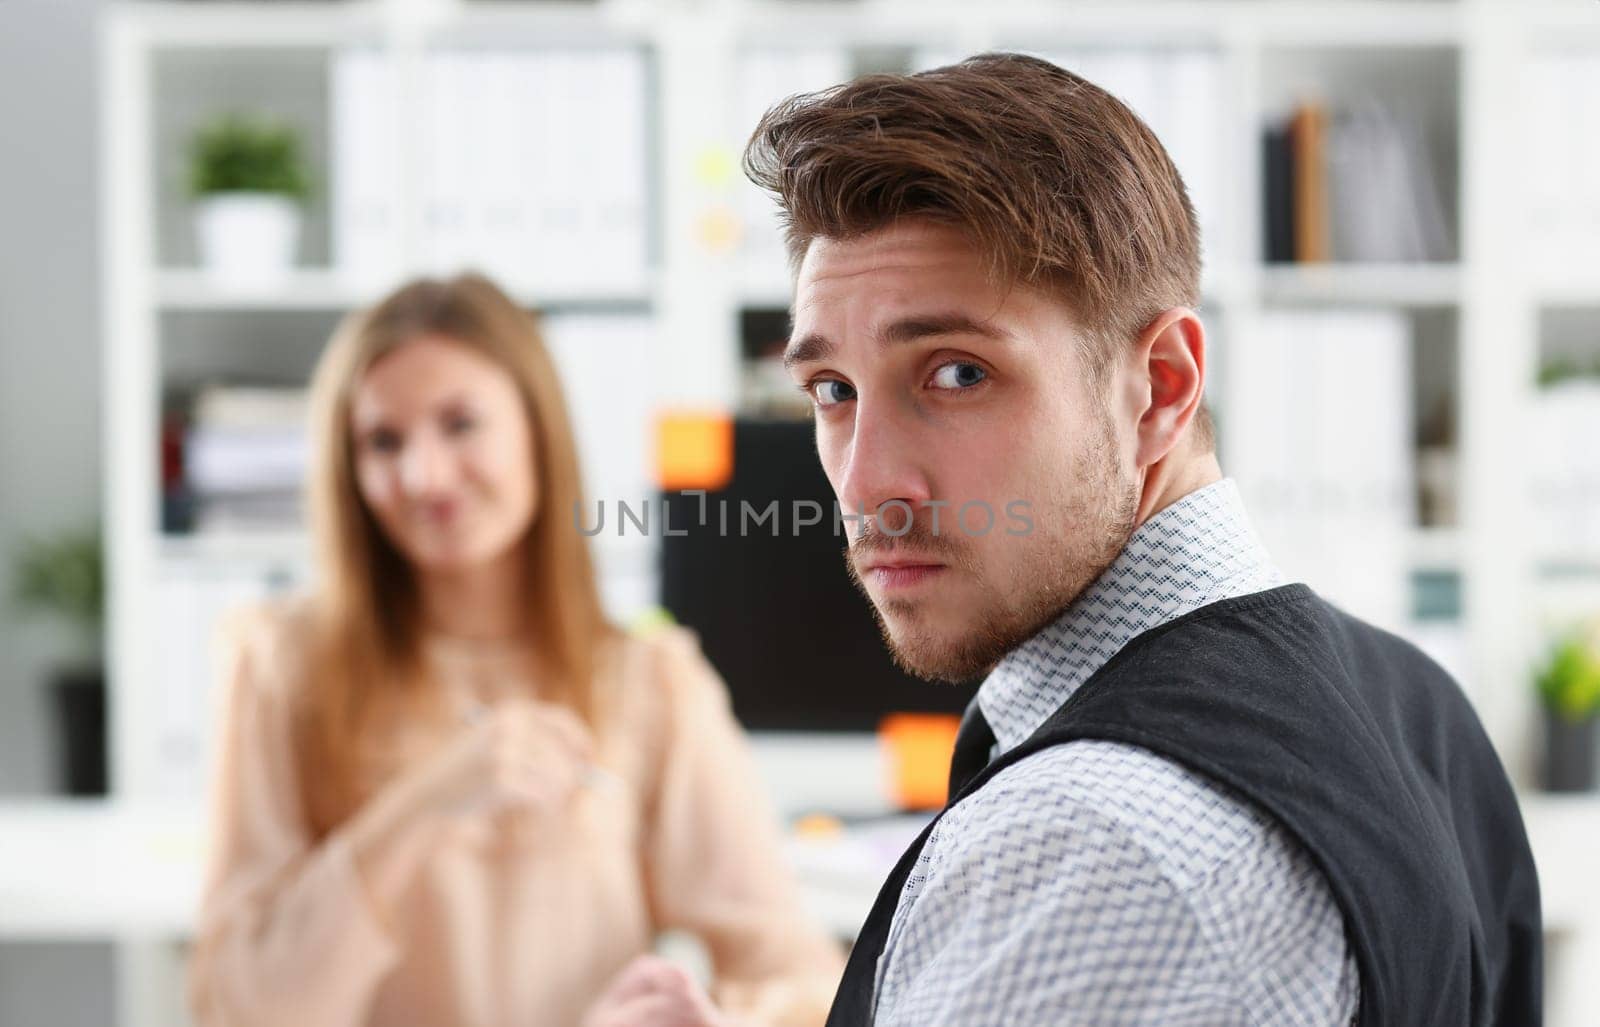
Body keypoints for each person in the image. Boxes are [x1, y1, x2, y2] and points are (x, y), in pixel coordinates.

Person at [734, 54, 1540, 1025]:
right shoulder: (1414, 701)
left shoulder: (1085, 846)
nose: (865, 483)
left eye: (955, 374)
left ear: (1158, 386)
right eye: (832, 390)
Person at [186, 273, 843, 1027]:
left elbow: (798, 978)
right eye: (382, 440)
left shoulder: (648, 681)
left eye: (460, 423)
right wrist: (425, 801)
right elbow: (241, 1007)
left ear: (538, 427)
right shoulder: (280, 663)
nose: (423, 475)